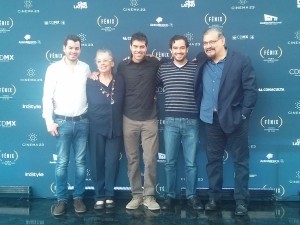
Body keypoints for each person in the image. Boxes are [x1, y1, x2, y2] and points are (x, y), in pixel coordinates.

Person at [194, 27, 257, 216]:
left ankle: (241, 201)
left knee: (240, 162)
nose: (208, 46)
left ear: (222, 40)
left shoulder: (240, 60)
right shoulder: (201, 59)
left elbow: (251, 90)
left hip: (235, 119)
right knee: (213, 161)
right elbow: (177, 62)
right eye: (205, 43)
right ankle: (214, 198)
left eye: (211, 42)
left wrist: (243, 115)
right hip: (210, 119)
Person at [42, 34, 90, 216]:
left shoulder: (85, 67)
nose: (73, 51)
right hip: (61, 122)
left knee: (80, 163)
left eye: (77, 48)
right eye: (70, 47)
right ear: (64, 48)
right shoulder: (53, 68)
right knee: (62, 163)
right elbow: (47, 96)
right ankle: (61, 200)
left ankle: (78, 198)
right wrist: (49, 120)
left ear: (80, 49)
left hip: (83, 122)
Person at [156, 35, 202, 210]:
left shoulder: (196, 68)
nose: (179, 51)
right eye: (175, 48)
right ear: (171, 50)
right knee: (169, 163)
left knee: (191, 163)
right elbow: (149, 82)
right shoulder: (163, 69)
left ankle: (191, 196)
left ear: (187, 49)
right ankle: (169, 196)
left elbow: (206, 58)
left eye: (182, 48)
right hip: (171, 122)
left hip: (192, 121)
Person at [117, 32, 160, 211]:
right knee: (132, 159)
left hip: (150, 118)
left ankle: (149, 196)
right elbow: (112, 83)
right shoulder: (122, 66)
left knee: (150, 159)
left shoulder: (155, 63)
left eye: (142, 47)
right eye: (135, 46)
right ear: (130, 47)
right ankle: (136, 195)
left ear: (146, 48)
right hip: (129, 119)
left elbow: (175, 63)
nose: (138, 50)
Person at [86, 49, 125, 210]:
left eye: (106, 60)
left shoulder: (121, 80)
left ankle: (109, 195)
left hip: (115, 128)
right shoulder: (90, 81)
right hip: (96, 127)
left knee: (112, 163)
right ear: (96, 64)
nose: (102, 63)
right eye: (99, 61)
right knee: (97, 162)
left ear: (112, 63)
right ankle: (99, 195)